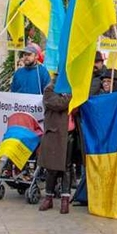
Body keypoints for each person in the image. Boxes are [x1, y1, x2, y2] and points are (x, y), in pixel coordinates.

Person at [39, 80, 74, 214]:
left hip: (70, 133)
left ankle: (65, 199)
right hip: (55, 133)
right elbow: (59, 104)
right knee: (51, 167)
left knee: (67, 167)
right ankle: (48, 197)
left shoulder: (74, 86)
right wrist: (71, 96)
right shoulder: (50, 88)